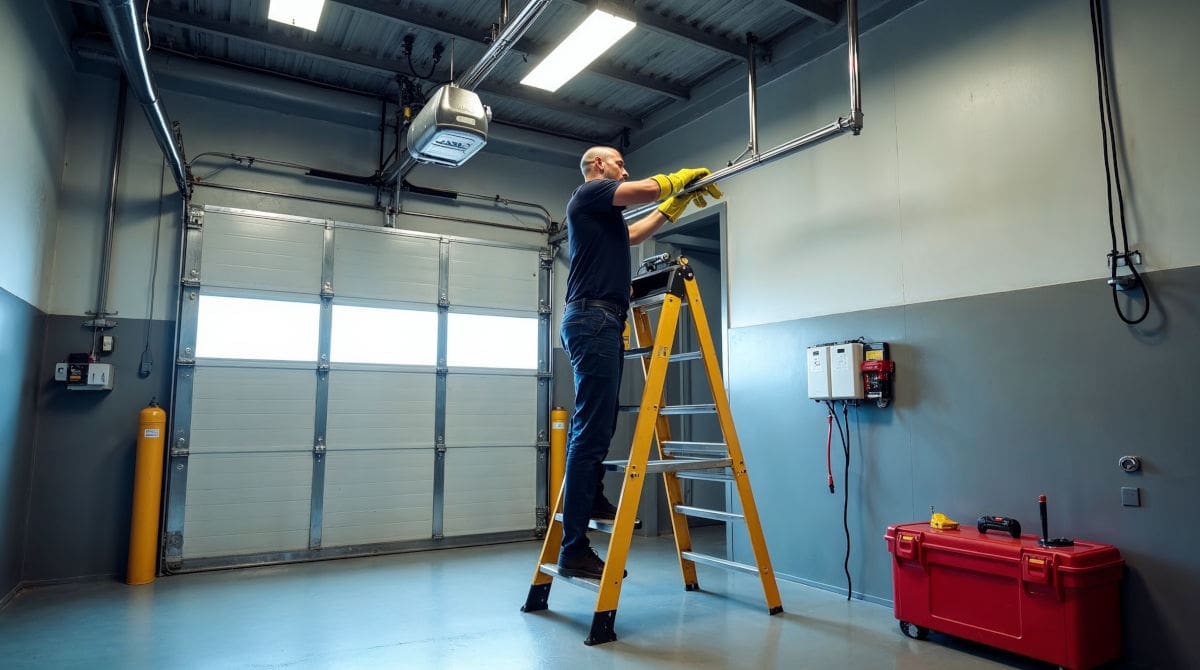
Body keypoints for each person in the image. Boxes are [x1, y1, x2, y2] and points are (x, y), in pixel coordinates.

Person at [557, 146, 721, 579]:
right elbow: (645, 189)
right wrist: (675, 177)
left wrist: (673, 205)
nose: (624, 170)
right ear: (598, 166)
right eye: (619, 164)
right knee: (591, 431)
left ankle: (590, 498)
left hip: (600, 318)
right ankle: (573, 549)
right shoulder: (589, 193)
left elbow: (636, 232)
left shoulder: (603, 215)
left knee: (601, 422)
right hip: (593, 317)